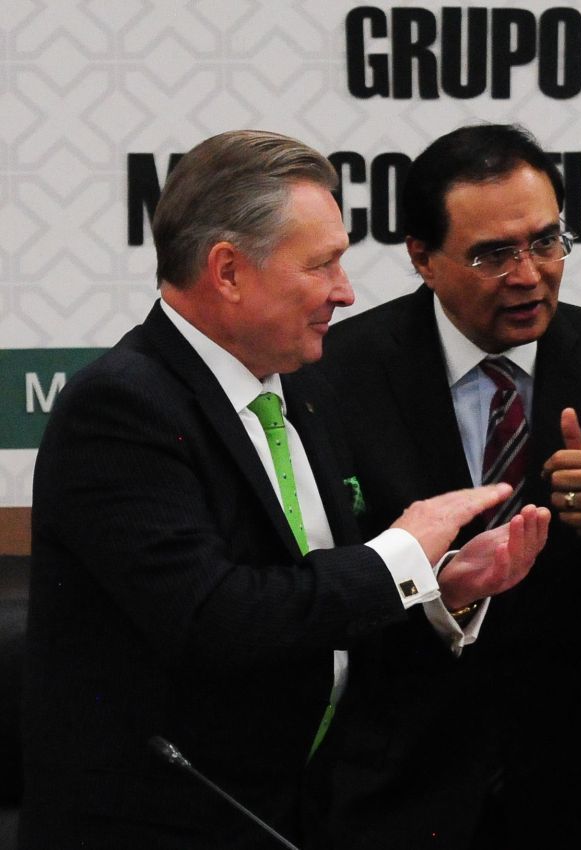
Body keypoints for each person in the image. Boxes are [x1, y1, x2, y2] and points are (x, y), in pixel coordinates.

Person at [20, 130, 549, 850]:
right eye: (323, 264)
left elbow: (313, 609)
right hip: (166, 825)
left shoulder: (303, 390)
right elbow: (216, 616)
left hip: (299, 814)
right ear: (229, 271)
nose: (347, 290)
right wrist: (398, 556)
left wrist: (438, 588)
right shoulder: (121, 408)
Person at [313, 123, 581, 849]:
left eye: (546, 242)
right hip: (399, 786)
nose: (529, 274)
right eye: (493, 254)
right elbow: (317, 583)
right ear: (422, 256)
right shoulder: (335, 377)